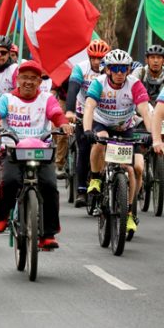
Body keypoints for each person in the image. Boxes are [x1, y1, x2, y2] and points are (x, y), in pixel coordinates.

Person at [0, 60, 73, 249]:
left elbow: (57, 114)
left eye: (33, 78)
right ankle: (2, 215)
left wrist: (63, 123)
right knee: (10, 182)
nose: (28, 82)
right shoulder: (7, 99)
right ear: (17, 79)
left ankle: (48, 234)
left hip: (41, 151)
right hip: (13, 150)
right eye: (24, 77)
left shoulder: (47, 99)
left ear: (40, 82)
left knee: (50, 186)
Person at [83, 49, 151, 235]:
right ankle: (96, 178)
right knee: (100, 139)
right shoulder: (99, 83)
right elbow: (89, 107)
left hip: (126, 128)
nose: (120, 73)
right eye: (116, 68)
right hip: (101, 122)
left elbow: (145, 111)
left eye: (124, 68)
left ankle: (129, 213)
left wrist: (152, 134)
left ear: (128, 70)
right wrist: (88, 130)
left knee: (135, 168)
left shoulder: (134, 84)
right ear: (108, 70)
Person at [65, 39, 110, 207]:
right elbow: (73, 89)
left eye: (101, 58)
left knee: (106, 146)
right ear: (89, 57)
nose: (97, 62)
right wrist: (69, 110)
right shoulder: (80, 68)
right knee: (84, 149)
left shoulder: (111, 69)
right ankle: (82, 190)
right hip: (83, 111)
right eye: (94, 58)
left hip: (104, 114)